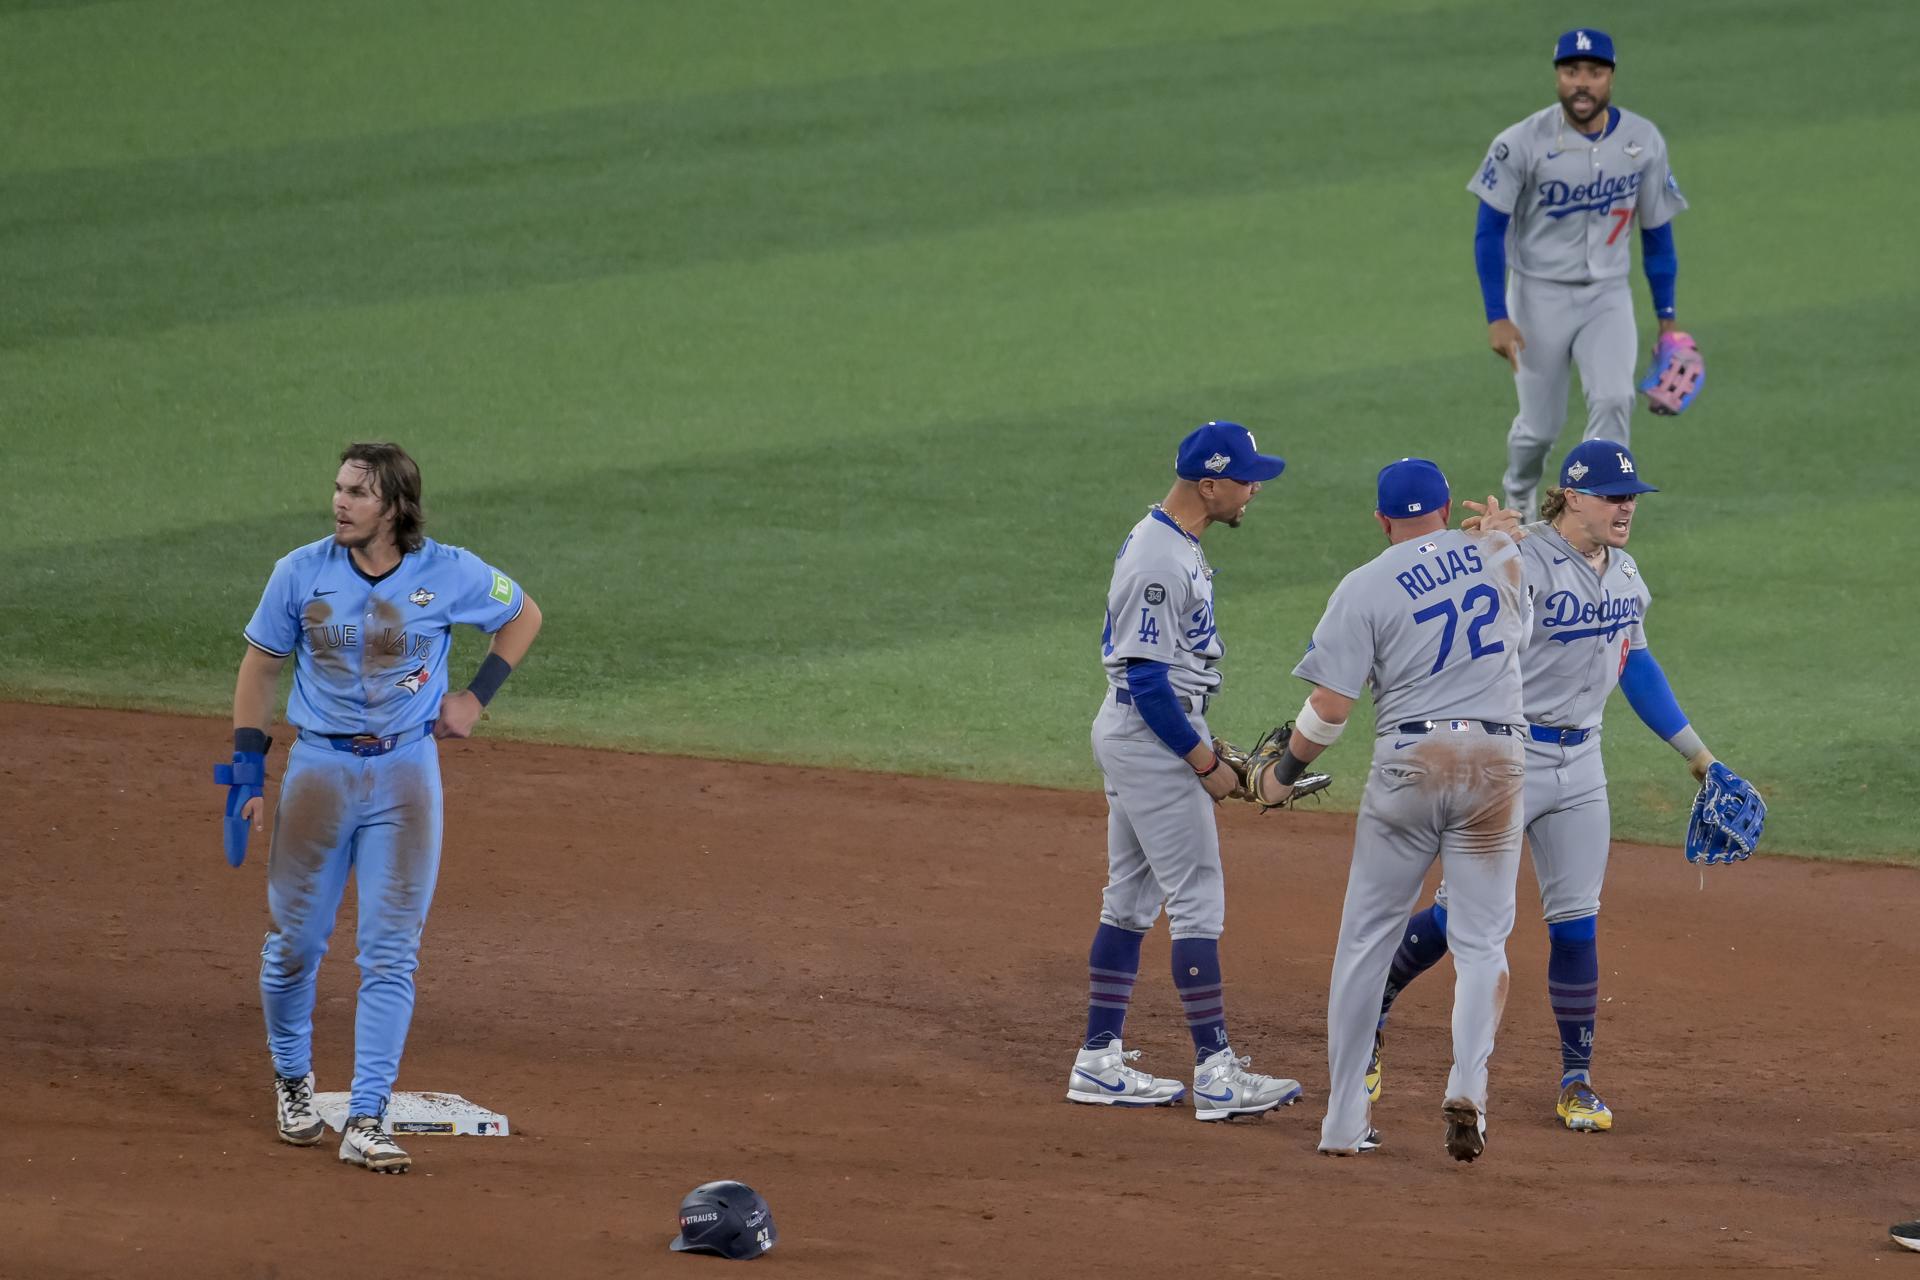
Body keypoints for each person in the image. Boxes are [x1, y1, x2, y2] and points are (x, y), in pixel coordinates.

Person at [1369, 439, 1744, 1136]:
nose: (1626, 508)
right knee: (1459, 919)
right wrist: (1479, 547)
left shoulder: (1625, 573)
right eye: (1612, 496)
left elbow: (1635, 664)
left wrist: (1699, 758)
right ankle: (1373, 1003)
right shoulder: (1525, 557)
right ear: (1573, 496)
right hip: (1509, 757)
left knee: (1576, 922)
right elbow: (1452, 603)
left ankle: (1576, 1079)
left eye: (1631, 497)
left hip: (1583, 765)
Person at [219, 442, 543, 1173]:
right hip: (319, 772)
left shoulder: (449, 571)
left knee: (392, 952)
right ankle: (293, 1080)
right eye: (338, 488)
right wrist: (246, 771)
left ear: (394, 507)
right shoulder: (299, 571)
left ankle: (367, 1116)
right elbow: (261, 665)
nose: (339, 502)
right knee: (295, 945)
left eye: (357, 493)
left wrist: (475, 698)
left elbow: (523, 614)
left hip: (405, 774)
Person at [1244, 459, 1528, 1161]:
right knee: (1482, 943)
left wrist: (1282, 775)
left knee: (1366, 945)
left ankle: (1343, 1123)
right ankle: (1468, 1086)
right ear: (1445, 509)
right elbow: (1520, 622)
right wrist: (1497, 538)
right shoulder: (1499, 553)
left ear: (1381, 521)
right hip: (1496, 763)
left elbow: (1330, 708)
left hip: (1411, 761)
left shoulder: (1364, 584)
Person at [1064, 421, 1303, 1121]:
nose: (1254, 490)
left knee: (1130, 900)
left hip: (1148, 731)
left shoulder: (1174, 541)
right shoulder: (1160, 560)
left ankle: (1098, 1061)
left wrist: (1201, 737)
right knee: (1196, 899)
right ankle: (1217, 1075)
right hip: (1149, 736)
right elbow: (1146, 678)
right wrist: (1203, 762)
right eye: (1246, 479)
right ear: (1209, 484)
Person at [1470, 28, 1689, 519]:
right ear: (1558, 77)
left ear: (1610, 77)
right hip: (1537, 296)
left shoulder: (1643, 141)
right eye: (1571, 72)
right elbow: (1488, 232)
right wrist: (1496, 315)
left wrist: (1668, 321)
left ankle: (1593, 516)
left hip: (1607, 296)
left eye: (1594, 72)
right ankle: (1519, 494)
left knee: (1614, 399)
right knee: (1539, 429)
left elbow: (1658, 234)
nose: (1582, 82)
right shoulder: (1519, 143)